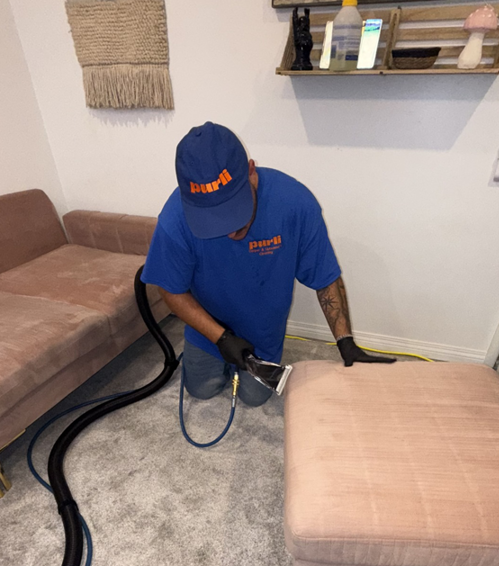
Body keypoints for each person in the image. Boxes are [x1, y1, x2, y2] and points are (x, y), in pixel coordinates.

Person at [142, 122, 394, 406]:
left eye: (234, 210)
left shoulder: (295, 203)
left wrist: (344, 340)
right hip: (207, 330)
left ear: (251, 170)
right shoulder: (174, 219)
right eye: (215, 219)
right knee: (202, 390)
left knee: (255, 398)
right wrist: (221, 337)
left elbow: (325, 278)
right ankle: (211, 352)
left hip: (262, 333)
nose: (230, 231)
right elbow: (170, 288)